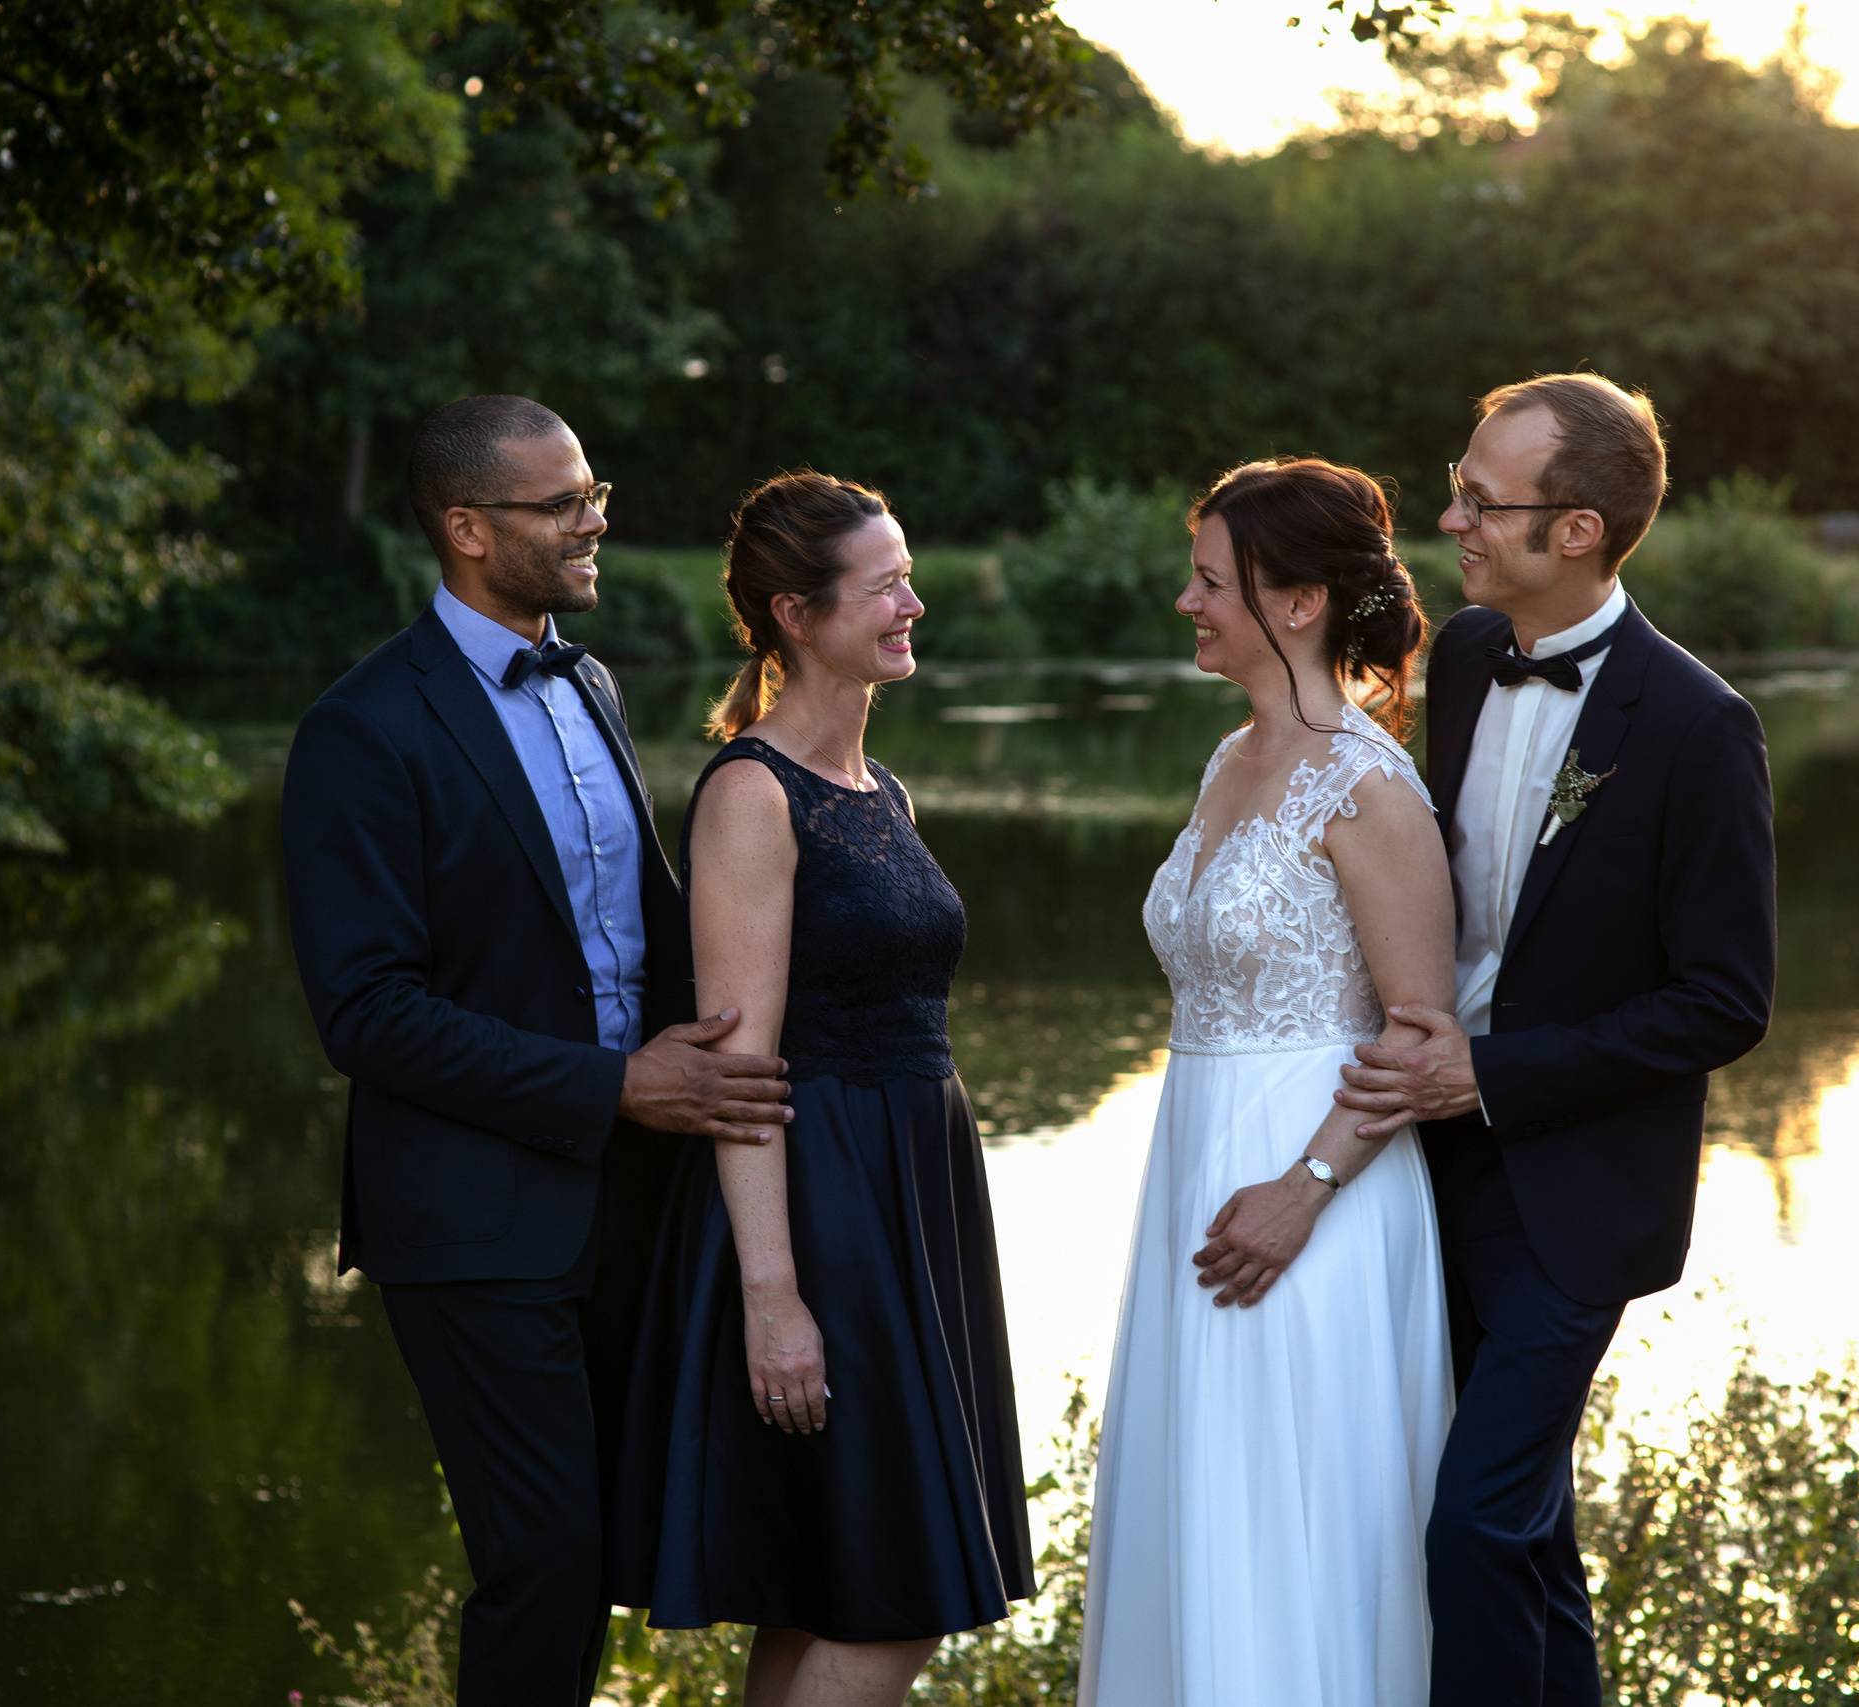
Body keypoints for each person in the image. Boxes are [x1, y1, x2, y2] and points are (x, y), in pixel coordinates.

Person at [280, 395, 795, 1707]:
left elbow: (638, 931)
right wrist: (620, 1083)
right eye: (560, 503)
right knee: (544, 1557)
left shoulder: (592, 681)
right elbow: (369, 1013)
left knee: (599, 1550)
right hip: (467, 1218)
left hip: (624, 1196)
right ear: (465, 528)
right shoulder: (362, 729)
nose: (596, 519)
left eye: (594, 490)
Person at [1335, 374, 1777, 1706]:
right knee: (1531, 1531)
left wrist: (1493, 1070)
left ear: (1576, 528)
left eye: (1484, 498)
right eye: (1459, 487)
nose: (1454, 517)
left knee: (1473, 1520)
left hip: (1575, 1195)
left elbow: (1724, 999)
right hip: (1422, 1171)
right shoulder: (1464, 654)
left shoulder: (1700, 726)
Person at [613, 471, 1033, 1707]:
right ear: (797, 614)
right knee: (899, 1596)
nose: (913, 599)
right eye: (884, 582)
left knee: (833, 1583)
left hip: (913, 1197)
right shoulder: (751, 795)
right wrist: (773, 1296)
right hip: (822, 1208)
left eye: (908, 572)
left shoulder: (877, 787)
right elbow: (738, 1069)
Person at [1079, 458, 1458, 1707]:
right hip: (1195, 1167)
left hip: (1318, 1201)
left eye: (1208, 581)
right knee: (1202, 1508)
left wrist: (1301, 1191)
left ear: (1296, 601)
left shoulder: (1367, 784)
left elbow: (1419, 1036)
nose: (1187, 604)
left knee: (1293, 1519)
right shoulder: (1228, 759)